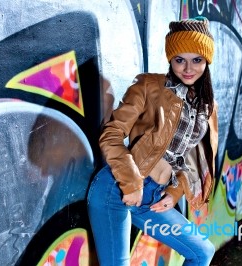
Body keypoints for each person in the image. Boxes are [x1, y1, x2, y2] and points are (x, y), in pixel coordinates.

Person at [87, 16, 218, 266]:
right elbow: (112, 132)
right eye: (180, 60)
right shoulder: (149, 86)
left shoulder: (208, 108)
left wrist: (174, 192)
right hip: (116, 189)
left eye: (197, 60)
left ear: (207, 60)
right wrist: (131, 182)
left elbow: (192, 160)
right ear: (171, 59)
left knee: (202, 252)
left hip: (154, 198)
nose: (188, 69)